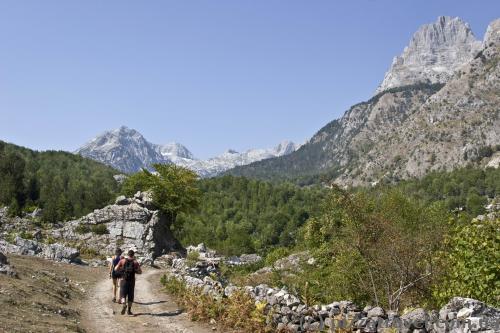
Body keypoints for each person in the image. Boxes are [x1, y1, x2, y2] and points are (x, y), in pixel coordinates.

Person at [114, 249, 142, 315]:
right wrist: (135, 271)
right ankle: (129, 310)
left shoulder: (122, 261)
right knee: (130, 295)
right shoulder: (135, 262)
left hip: (123, 280)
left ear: (128, 254)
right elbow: (140, 272)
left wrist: (121, 270)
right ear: (133, 255)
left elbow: (115, 269)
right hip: (132, 281)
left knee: (122, 294)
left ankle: (124, 304)